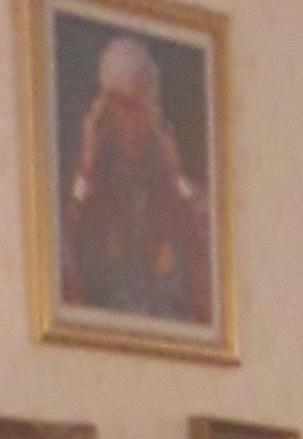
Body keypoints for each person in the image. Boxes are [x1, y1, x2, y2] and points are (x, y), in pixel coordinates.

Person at [60, 31, 209, 325]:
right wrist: (85, 171)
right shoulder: (91, 191)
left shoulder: (176, 190)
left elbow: (210, 262)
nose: (129, 122)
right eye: (119, 108)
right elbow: (60, 264)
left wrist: (176, 173)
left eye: (138, 108)